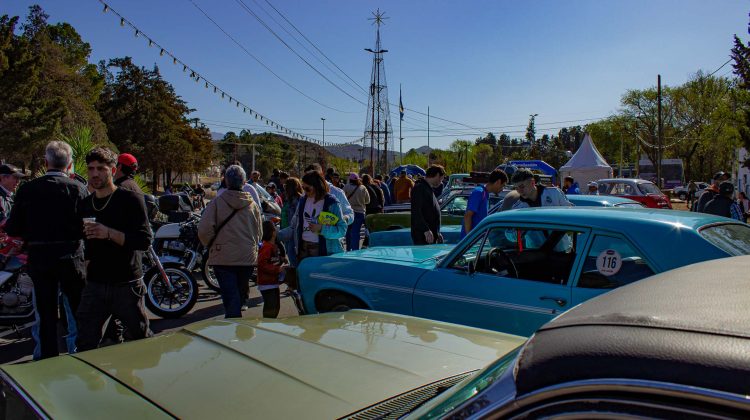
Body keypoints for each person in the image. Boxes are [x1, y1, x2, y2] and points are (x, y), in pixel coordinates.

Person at [4, 142, 87, 359]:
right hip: (71, 258)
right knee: (76, 312)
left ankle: (46, 359)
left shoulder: (28, 189)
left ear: (46, 162)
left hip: (40, 259)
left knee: (45, 314)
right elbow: (87, 226)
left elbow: (13, 228)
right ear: (69, 164)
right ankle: (79, 355)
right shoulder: (78, 189)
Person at [76, 147, 153, 351]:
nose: (94, 174)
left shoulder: (129, 199)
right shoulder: (85, 204)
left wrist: (108, 232)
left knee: (139, 341)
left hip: (126, 283)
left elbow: (144, 241)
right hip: (95, 283)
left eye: (100, 168)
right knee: (85, 342)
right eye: (91, 168)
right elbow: (82, 239)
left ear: (113, 169)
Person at [198, 165, 262, 318]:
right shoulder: (252, 205)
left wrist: (212, 245)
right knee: (239, 293)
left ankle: (234, 326)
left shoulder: (217, 203)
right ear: (244, 182)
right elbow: (258, 232)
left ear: (226, 181)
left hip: (223, 256)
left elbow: (204, 230)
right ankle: (239, 328)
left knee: (230, 296)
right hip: (247, 257)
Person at [290, 170, 347, 261]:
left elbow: (342, 229)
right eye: (303, 188)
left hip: (323, 250)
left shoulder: (331, 203)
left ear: (317, 186)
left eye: (307, 188)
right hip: (303, 248)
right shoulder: (303, 200)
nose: (304, 191)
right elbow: (296, 225)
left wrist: (322, 229)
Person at [461, 169, 508, 238]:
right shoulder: (479, 192)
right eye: (503, 185)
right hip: (470, 243)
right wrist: (469, 239)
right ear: (498, 182)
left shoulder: (485, 194)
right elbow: (468, 216)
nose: (502, 189)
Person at [411, 165, 446, 245]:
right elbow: (416, 212)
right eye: (441, 178)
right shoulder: (419, 188)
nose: (441, 182)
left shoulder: (427, 188)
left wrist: (437, 232)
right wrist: (425, 230)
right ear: (437, 175)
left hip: (430, 236)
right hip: (423, 236)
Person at [257, 220, 284, 318]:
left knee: (275, 306)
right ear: (273, 232)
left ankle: (270, 324)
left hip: (272, 282)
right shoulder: (266, 247)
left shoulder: (272, 246)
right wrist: (278, 270)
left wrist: (282, 259)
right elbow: (262, 264)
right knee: (271, 307)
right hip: (267, 283)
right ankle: (267, 325)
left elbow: (272, 259)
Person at [343, 173, 370, 251]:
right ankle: (355, 250)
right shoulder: (363, 188)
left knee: (348, 231)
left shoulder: (346, 187)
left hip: (349, 212)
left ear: (350, 179)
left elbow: (343, 199)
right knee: (356, 232)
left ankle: (348, 249)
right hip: (360, 212)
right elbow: (368, 201)